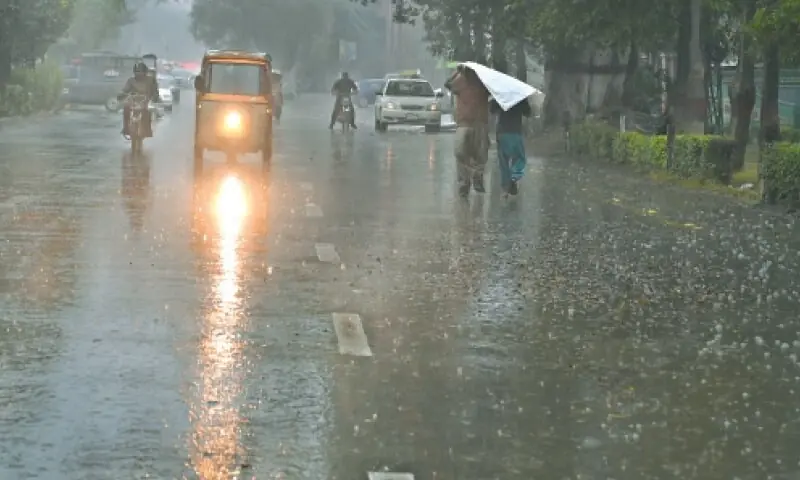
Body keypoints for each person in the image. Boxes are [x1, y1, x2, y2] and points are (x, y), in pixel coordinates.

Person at [444, 65, 490, 197]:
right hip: (464, 124)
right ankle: (464, 182)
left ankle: (477, 178)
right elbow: (447, 84)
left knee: (480, 155)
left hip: (480, 123)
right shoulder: (460, 82)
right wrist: (456, 73)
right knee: (460, 153)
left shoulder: (484, 84)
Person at [491, 98, 532, 195]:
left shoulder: (500, 95)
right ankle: (514, 177)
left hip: (502, 133)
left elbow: (492, 110)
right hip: (515, 132)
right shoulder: (520, 96)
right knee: (519, 158)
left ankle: (505, 187)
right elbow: (528, 113)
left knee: (503, 161)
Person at [118, 62, 160, 138]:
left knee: (148, 112)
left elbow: (155, 91)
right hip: (133, 101)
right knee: (126, 109)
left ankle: (147, 130)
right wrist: (121, 94)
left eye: (140, 71)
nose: (138, 73)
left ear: (145, 72)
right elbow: (125, 90)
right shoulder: (131, 80)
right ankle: (126, 128)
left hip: (146, 101)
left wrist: (155, 97)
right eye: (137, 71)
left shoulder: (151, 80)